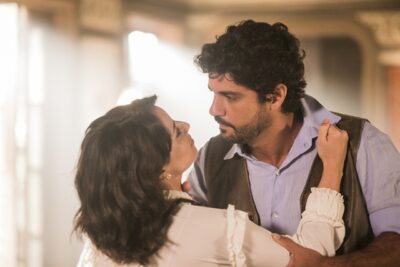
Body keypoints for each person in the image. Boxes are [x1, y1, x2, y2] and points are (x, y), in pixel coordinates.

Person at [188, 19, 400, 266]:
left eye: (231, 97)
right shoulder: (210, 158)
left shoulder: (362, 142)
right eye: (213, 93)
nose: (214, 109)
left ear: (275, 96)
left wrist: (327, 266)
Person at [74, 96, 348, 267]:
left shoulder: (101, 236)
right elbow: (310, 255)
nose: (187, 126)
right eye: (176, 131)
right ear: (157, 167)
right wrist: (332, 166)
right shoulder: (217, 228)